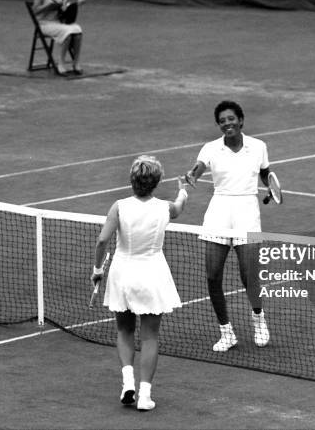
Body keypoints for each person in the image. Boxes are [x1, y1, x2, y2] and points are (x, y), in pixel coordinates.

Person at [92, 156, 188, 411]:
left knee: (124, 331)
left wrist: (97, 270)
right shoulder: (166, 208)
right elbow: (179, 206)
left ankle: (127, 385)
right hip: (152, 274)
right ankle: (144, 395)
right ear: (156, 182)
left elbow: (102, 241)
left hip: (123, 273)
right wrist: (183, 191)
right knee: (150, 337)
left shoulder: (119, 206)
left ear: (132, 180)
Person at [184, 100, 271, 351]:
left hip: (247, 210)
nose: (227, 124)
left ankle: (258, 319)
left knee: (248, 275)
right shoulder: (210, 148)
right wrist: (192, 176)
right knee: (212, 276)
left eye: (231, 119)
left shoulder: (258, 146)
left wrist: (271, 185)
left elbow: (265, 172)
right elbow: (198, 169)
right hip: (219, 210)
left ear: (241, 120)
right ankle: (226, 332)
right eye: (222, 121)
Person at [32, 0, 86, 75]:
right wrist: (47, 6)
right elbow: (35, 10)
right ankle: (61, 64)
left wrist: (72, 5)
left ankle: (76, 63)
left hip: (61, 21)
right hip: (45, 23)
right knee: (68, 32)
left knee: (78, 31)